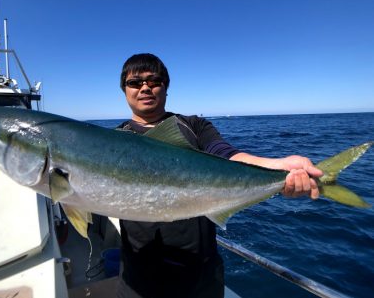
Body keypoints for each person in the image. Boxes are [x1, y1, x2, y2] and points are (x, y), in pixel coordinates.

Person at [115, 53, 323, 298]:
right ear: (125, 90)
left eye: (154, 81)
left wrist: (278, 166)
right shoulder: (115, 142)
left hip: (202, 273)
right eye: (135, 82)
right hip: (140, 276)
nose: (145, 88)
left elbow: (225, 154)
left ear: (166, 87)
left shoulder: (193, 125)